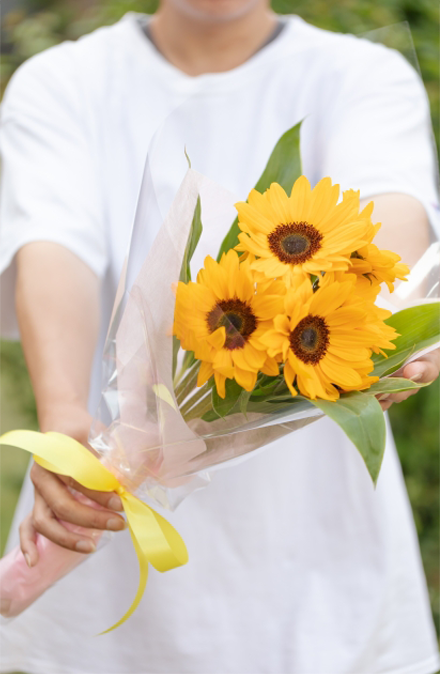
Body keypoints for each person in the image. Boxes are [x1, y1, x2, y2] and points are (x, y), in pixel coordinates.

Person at [0, 1, 439, 672]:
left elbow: (387, 211)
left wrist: (388, 319)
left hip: (316, 545)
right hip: (98, 515)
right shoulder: (63, 80)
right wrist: (65, 422)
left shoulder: (359, 74)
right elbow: (55, 244)